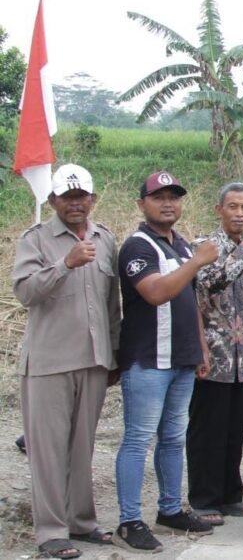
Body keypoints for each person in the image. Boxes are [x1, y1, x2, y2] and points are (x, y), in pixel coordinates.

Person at [12, 165, 119, 559]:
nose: (75, 204)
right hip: (49, 362)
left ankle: (81, 522)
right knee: (48, 451)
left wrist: (115, 354)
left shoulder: (105, 238)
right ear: (53, 200)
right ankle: (51, 532)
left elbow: (111, 304)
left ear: (92, 198)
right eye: (67, 197)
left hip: (93, 360)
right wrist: (65, 265)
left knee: (81, 447)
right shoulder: (36, 239)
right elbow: (25, 292)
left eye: (81, 197)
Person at [114, 171, 216, 552]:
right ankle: (128, 522)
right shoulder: (137, 247)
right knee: (138, 439)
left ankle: (170, 509)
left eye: (174, 197)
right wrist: (198, 262)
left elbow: (192, 302)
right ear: (142, 204)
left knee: (174, 438)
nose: (168, 203)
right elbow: (156, 292)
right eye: (159, 197)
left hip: (182, 358)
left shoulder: (181, 244)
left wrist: (201, 348)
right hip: (147, 359)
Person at [188, 182, 243, 525]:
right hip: (212, 355)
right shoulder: (206, 246)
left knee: (236, 430)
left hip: (240, 356)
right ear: (219, 210)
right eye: (233, 207)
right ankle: (204, 498)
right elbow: (211, 283)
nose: (239, 214)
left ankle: (231, 494)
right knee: (208, 429)